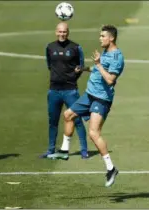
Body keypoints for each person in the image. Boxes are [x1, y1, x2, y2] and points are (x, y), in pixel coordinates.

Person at [57, 25, 124, 187]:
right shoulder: (106, 53)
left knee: (94, 133)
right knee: (68, 115)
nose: (100, 38)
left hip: (101, 99)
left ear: (111, 38)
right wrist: (86, 68)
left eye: (102, 36)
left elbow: (110, 80)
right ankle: (64, 150)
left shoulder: (117, 57)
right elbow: (99, 69)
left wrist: (99, 64)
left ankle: (111, 168)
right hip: (89, 95)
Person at [40, 22, 89, 159]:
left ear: (68, 32)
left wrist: (73, 77)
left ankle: (84, 150)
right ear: (56, 32)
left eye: (65, 32)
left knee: (77, 120)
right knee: (53, 121)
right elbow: (49, 65)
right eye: (60, 32)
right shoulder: (50, 47)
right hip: (54, 90)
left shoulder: (75, 47)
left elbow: (81, 65)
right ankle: (50, 149)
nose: (62, 34)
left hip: (70, 90)